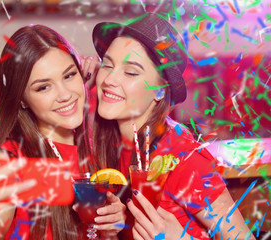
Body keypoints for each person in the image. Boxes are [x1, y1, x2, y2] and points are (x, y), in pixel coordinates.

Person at [91, 13, 255, 239]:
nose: (109, 79)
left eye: (130, 72)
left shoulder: (182, 158)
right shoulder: (109, 143)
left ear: (160, 90)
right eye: (107, 65)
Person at [0, 25, 125, 240]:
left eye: (69, 75)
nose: (65, 94)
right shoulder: (13, 163)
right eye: (43, 87)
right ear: (22, 100)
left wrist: (110, 232)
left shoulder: (99, 150)